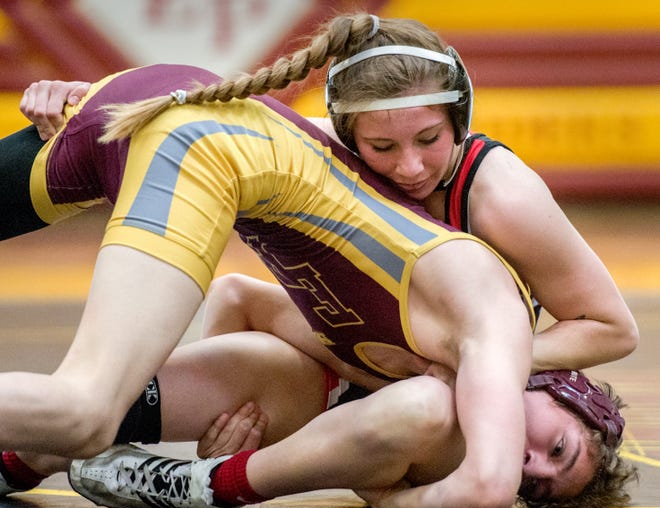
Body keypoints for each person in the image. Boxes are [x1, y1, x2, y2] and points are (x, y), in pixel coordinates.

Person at [21, 14, 638, 374]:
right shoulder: (321, 145)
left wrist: (481, 363)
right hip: (366, 352)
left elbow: (611, 328)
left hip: (446, 378)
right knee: (235, 297)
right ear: (344, 134)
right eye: (382, 149)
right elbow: (191, 116)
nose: (412, 167)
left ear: (461, 117)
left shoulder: (500, 194)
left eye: (429, 138)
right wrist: (81, 97)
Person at [0, 326, 636, 508]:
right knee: (267, 361)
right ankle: (32, 456)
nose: (528, 464)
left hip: (315, 453)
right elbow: (241, 299)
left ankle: (209, 484)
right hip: (297, 400)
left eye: (539, 484)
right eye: (555, 446)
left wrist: (394, 500)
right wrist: (210, 436)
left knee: (424, 407)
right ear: (562, 388)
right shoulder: (468, 331)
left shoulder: (468, 461)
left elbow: (462, 494)